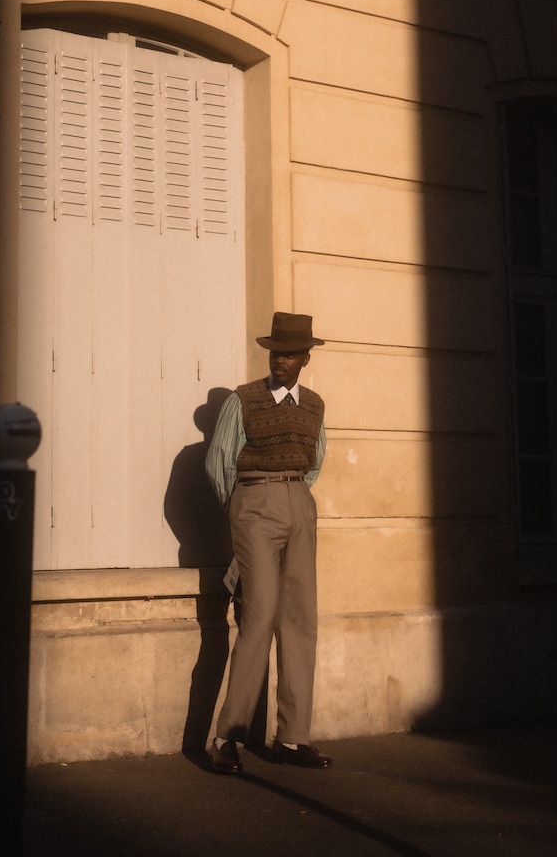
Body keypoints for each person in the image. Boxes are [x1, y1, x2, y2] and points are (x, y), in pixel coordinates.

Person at [204, 312, 332, 774]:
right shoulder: (244, 400)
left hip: (300, 500)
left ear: (305, 358)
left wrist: (293, 494)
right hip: (255, 502)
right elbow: (219, 464)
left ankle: (293, 739)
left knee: (300, 620)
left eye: (290, 353)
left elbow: (316, 461)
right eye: (275, 351)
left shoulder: (315, 405)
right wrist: (245, 509)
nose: (281, 359)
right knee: (257, 618)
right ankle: (226, 737)